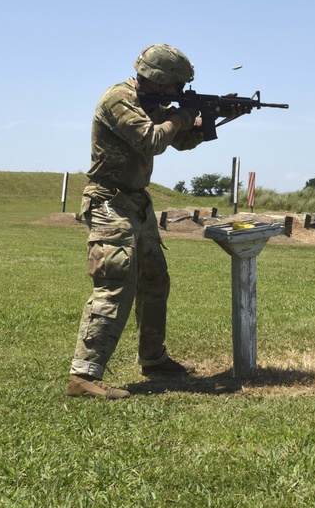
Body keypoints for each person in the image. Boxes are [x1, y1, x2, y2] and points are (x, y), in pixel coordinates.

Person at [66, 44, 209, 400]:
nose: (179, 93)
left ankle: (153, 358)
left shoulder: (153, 104)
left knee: (154, 280)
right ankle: (84, 375)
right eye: (177, 86)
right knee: (115, 282)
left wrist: (211, 118)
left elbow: (182, 142)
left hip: (136, 203)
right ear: (160, 80)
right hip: (110, 201)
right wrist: (180, 116)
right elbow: (150, 141)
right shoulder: (119, 98)